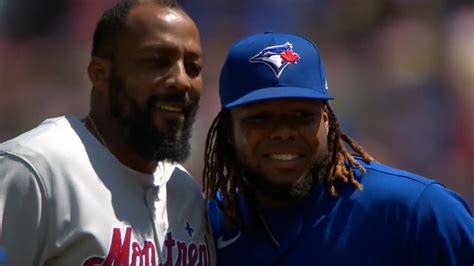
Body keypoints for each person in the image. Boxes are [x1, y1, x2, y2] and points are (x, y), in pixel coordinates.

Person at [204, 32, 474, 266]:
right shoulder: (210, 227)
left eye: (302, 116)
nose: (284, 132)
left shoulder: (418, 214)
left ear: (327, 121)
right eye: (260, 118)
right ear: (229, 131)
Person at [0, 1, 215, 265]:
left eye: (193, 67)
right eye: (157, 61)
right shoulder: (35, 170)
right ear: (100, 74)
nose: (182, 80)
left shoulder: (186, 194)